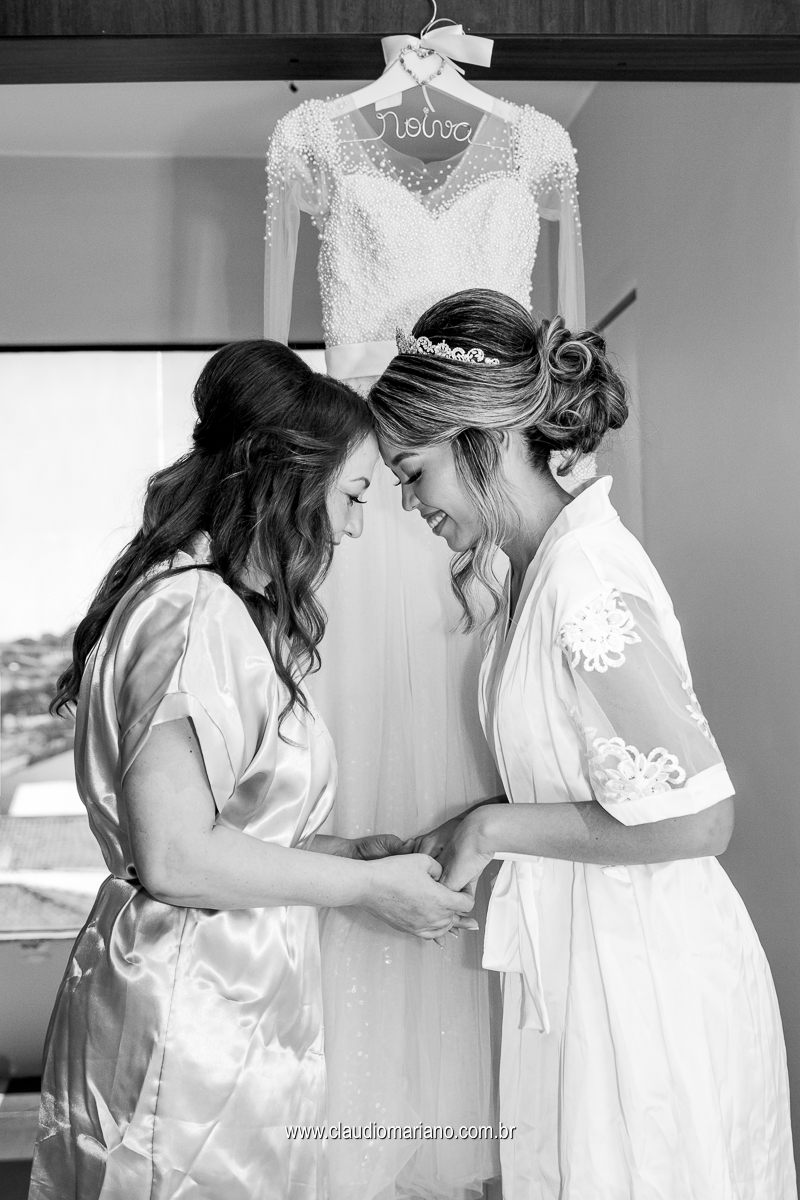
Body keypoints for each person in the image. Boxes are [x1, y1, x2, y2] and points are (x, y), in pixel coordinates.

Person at [368, 290, 797, 1199]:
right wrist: (459, 832)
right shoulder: (532, 571)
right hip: (583, 958)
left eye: (413, 471)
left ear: (483, 438)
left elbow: (701, 821)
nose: (409, 502)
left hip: (644, 975)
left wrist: (489, 829)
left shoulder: (587, 577)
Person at [28, 340, 475, 1200]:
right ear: (286, 477)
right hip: (190, 1011)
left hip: (227, 1001)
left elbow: (221, 826)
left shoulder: (208, 607)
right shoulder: (192, 611)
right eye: (352, 495)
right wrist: (369, 891)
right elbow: (177, 856)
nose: (354, 528)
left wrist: (346, 855)